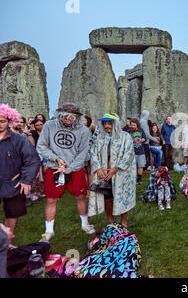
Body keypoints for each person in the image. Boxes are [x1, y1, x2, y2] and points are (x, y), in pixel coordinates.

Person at [36, 103, 96, 241]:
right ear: (60, 116)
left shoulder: (84, 131)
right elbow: (41, 146)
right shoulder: (49, 126)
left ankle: (85, 224)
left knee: (80, 196)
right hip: (55, 168)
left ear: (77, 117)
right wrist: (56, 159)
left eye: (71, 118)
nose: (68, 121)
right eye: (65, 118)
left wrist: (69, 168)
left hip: (75, 168)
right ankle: (49, 231)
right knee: (51, 199)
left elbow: (83, 153)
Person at [0, 104, 41, 247]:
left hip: (13, 183)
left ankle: (8, 243)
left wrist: (26, 180)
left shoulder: (19, 139)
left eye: (2, 121)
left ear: (9, 121)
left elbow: (32, 160)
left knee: (12, 214)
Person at [88, 114, 136, 227]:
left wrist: (116, 169)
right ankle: (111, 221)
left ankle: (124, 222)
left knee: (123, 196)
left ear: (115, 124)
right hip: (104, 173)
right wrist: (98, 168)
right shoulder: (100, 138)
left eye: (109, 123)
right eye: (104, 123)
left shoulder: (125, 136)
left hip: (121, 174)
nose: (106, 126)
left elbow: (129, 154)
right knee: (107, 196)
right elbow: (93, 152)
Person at [127, 118, 147, 185]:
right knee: (133, 166)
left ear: (137, 125)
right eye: (131, 125)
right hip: (132, 152)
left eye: (134, 125)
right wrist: (132, 140)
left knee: (140, 166)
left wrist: (141, 140)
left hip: (141, 151)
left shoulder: (141, 130)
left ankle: (139, 179)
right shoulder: (128, 131)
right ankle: (133, 179)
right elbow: (126, 141)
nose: (132, 126)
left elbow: (145, 138)